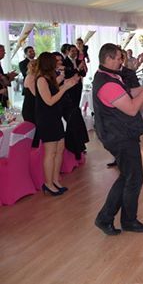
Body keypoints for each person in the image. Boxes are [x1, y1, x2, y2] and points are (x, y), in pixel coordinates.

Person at [93, 44, 143, 235]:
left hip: (121, 133)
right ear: (108, 58)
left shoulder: (110, 77)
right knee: (134, 178)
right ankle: (126, 221)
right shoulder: (106, 83)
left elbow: (127, 94)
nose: (121, 61)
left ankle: (105, 218)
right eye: (118, 58)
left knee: (127, 176)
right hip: (119, 136)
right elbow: (131, 108)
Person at [35, 52, 80, 196]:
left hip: (55, 117)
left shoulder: (50, 78)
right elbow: (49, 101)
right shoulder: (41, 79)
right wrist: (65, 87)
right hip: (47, 119)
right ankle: (48, 183)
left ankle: (55, 180)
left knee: (60, 149)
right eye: (55, 61)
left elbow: (57, 86)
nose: (58, 63)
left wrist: (69, 81)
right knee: (50, 152)